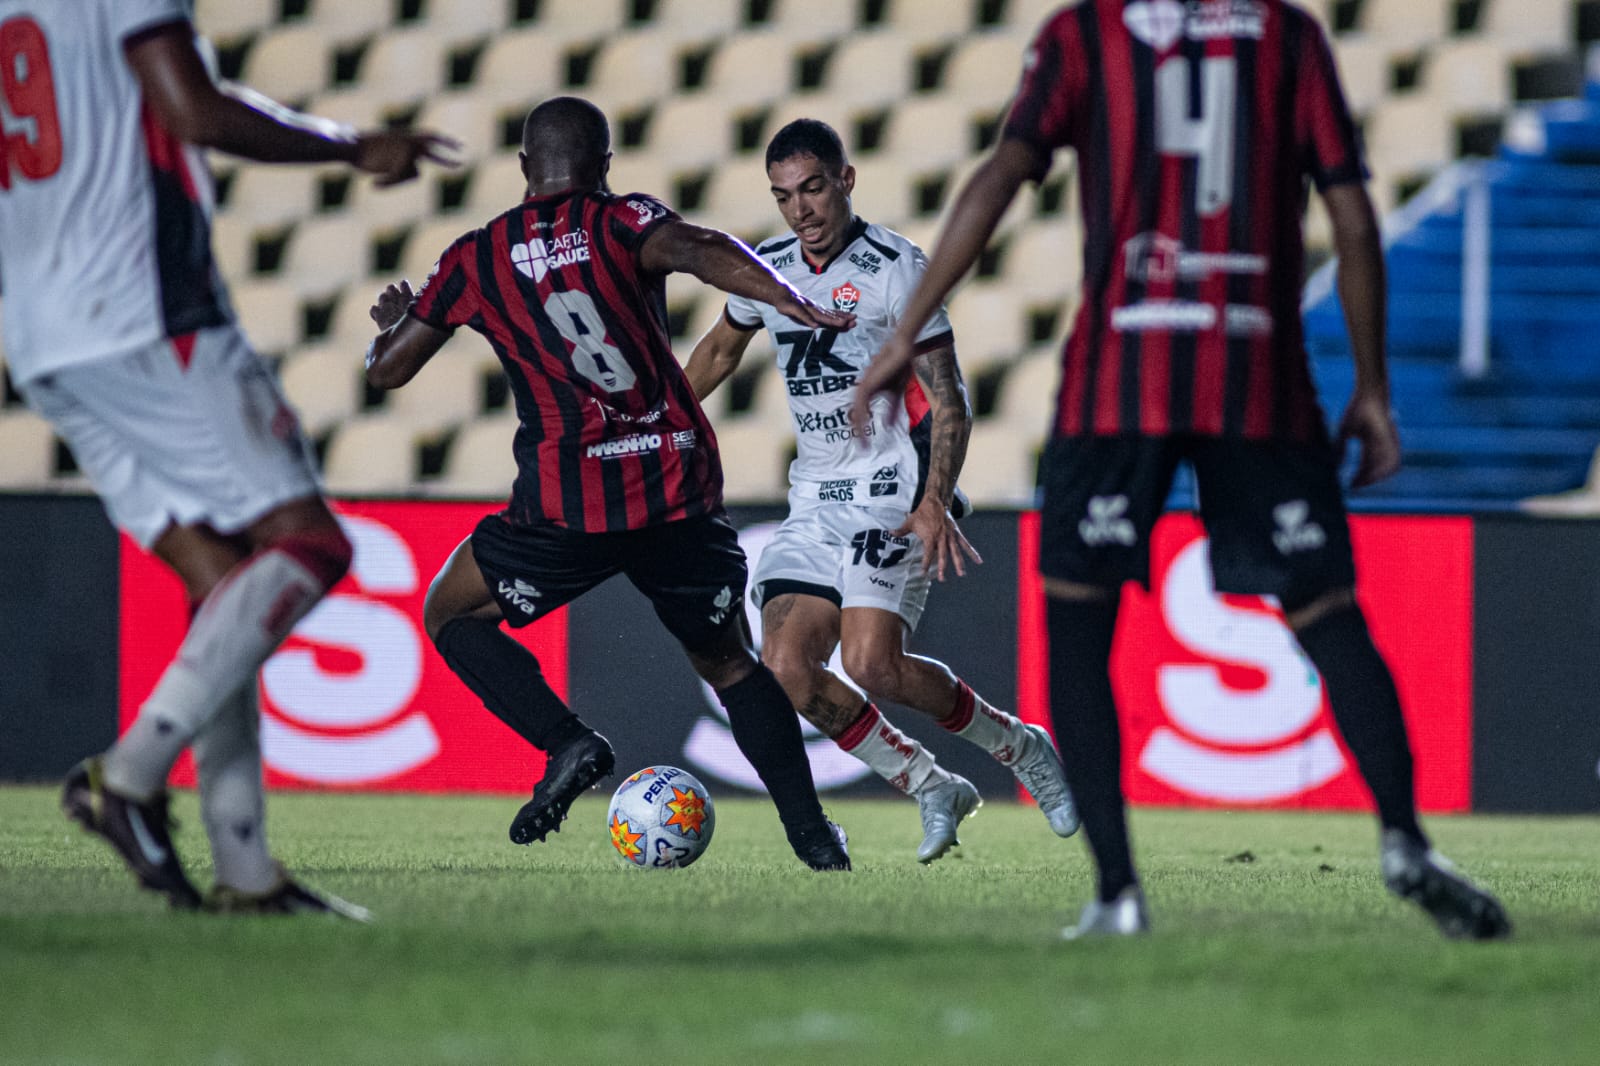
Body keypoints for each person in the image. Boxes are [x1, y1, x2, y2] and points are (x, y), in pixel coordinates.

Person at [853, 1, 1511, 938]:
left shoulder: (1086, 35)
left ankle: (1118, 892)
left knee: (1078, 625)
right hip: (1260, 374)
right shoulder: (1288, 36)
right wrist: (1371, 387)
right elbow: (1354, 217)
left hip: (1122, 377)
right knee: (1326, 610)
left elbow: (1003, 174)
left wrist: (905, 327)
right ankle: (1407, 841)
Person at [0, 0, 452, 914]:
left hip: (40, 333)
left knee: (223, 581)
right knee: (312, 545)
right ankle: (126, 778)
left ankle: (248, 873)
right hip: (141, 307)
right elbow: (189, 109)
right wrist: (352, 146)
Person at [365, 97, 854, 871]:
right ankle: (813, 839)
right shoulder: (621, 221)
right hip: (672, 488)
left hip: (567, 506)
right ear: (604, 164)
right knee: (730, 664)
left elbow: (389, 373)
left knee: (451, 612)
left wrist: (392, 327)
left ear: (526, 168)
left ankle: (568, 742)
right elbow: (697, 246)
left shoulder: (476, 255)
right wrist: (785, 296)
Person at [683, 119, 1079, 863]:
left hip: (893, 490)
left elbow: (949, 394)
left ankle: (1019, 747)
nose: (800, 209)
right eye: (783, 196)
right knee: (787, 671)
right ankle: (930, 784)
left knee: (872, 665)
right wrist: (657, 415)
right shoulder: (766, 270)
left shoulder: (898, 268)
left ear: (846, 180)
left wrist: (934, 499)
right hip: (814, 500)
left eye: (812, 188)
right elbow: (719, 350)